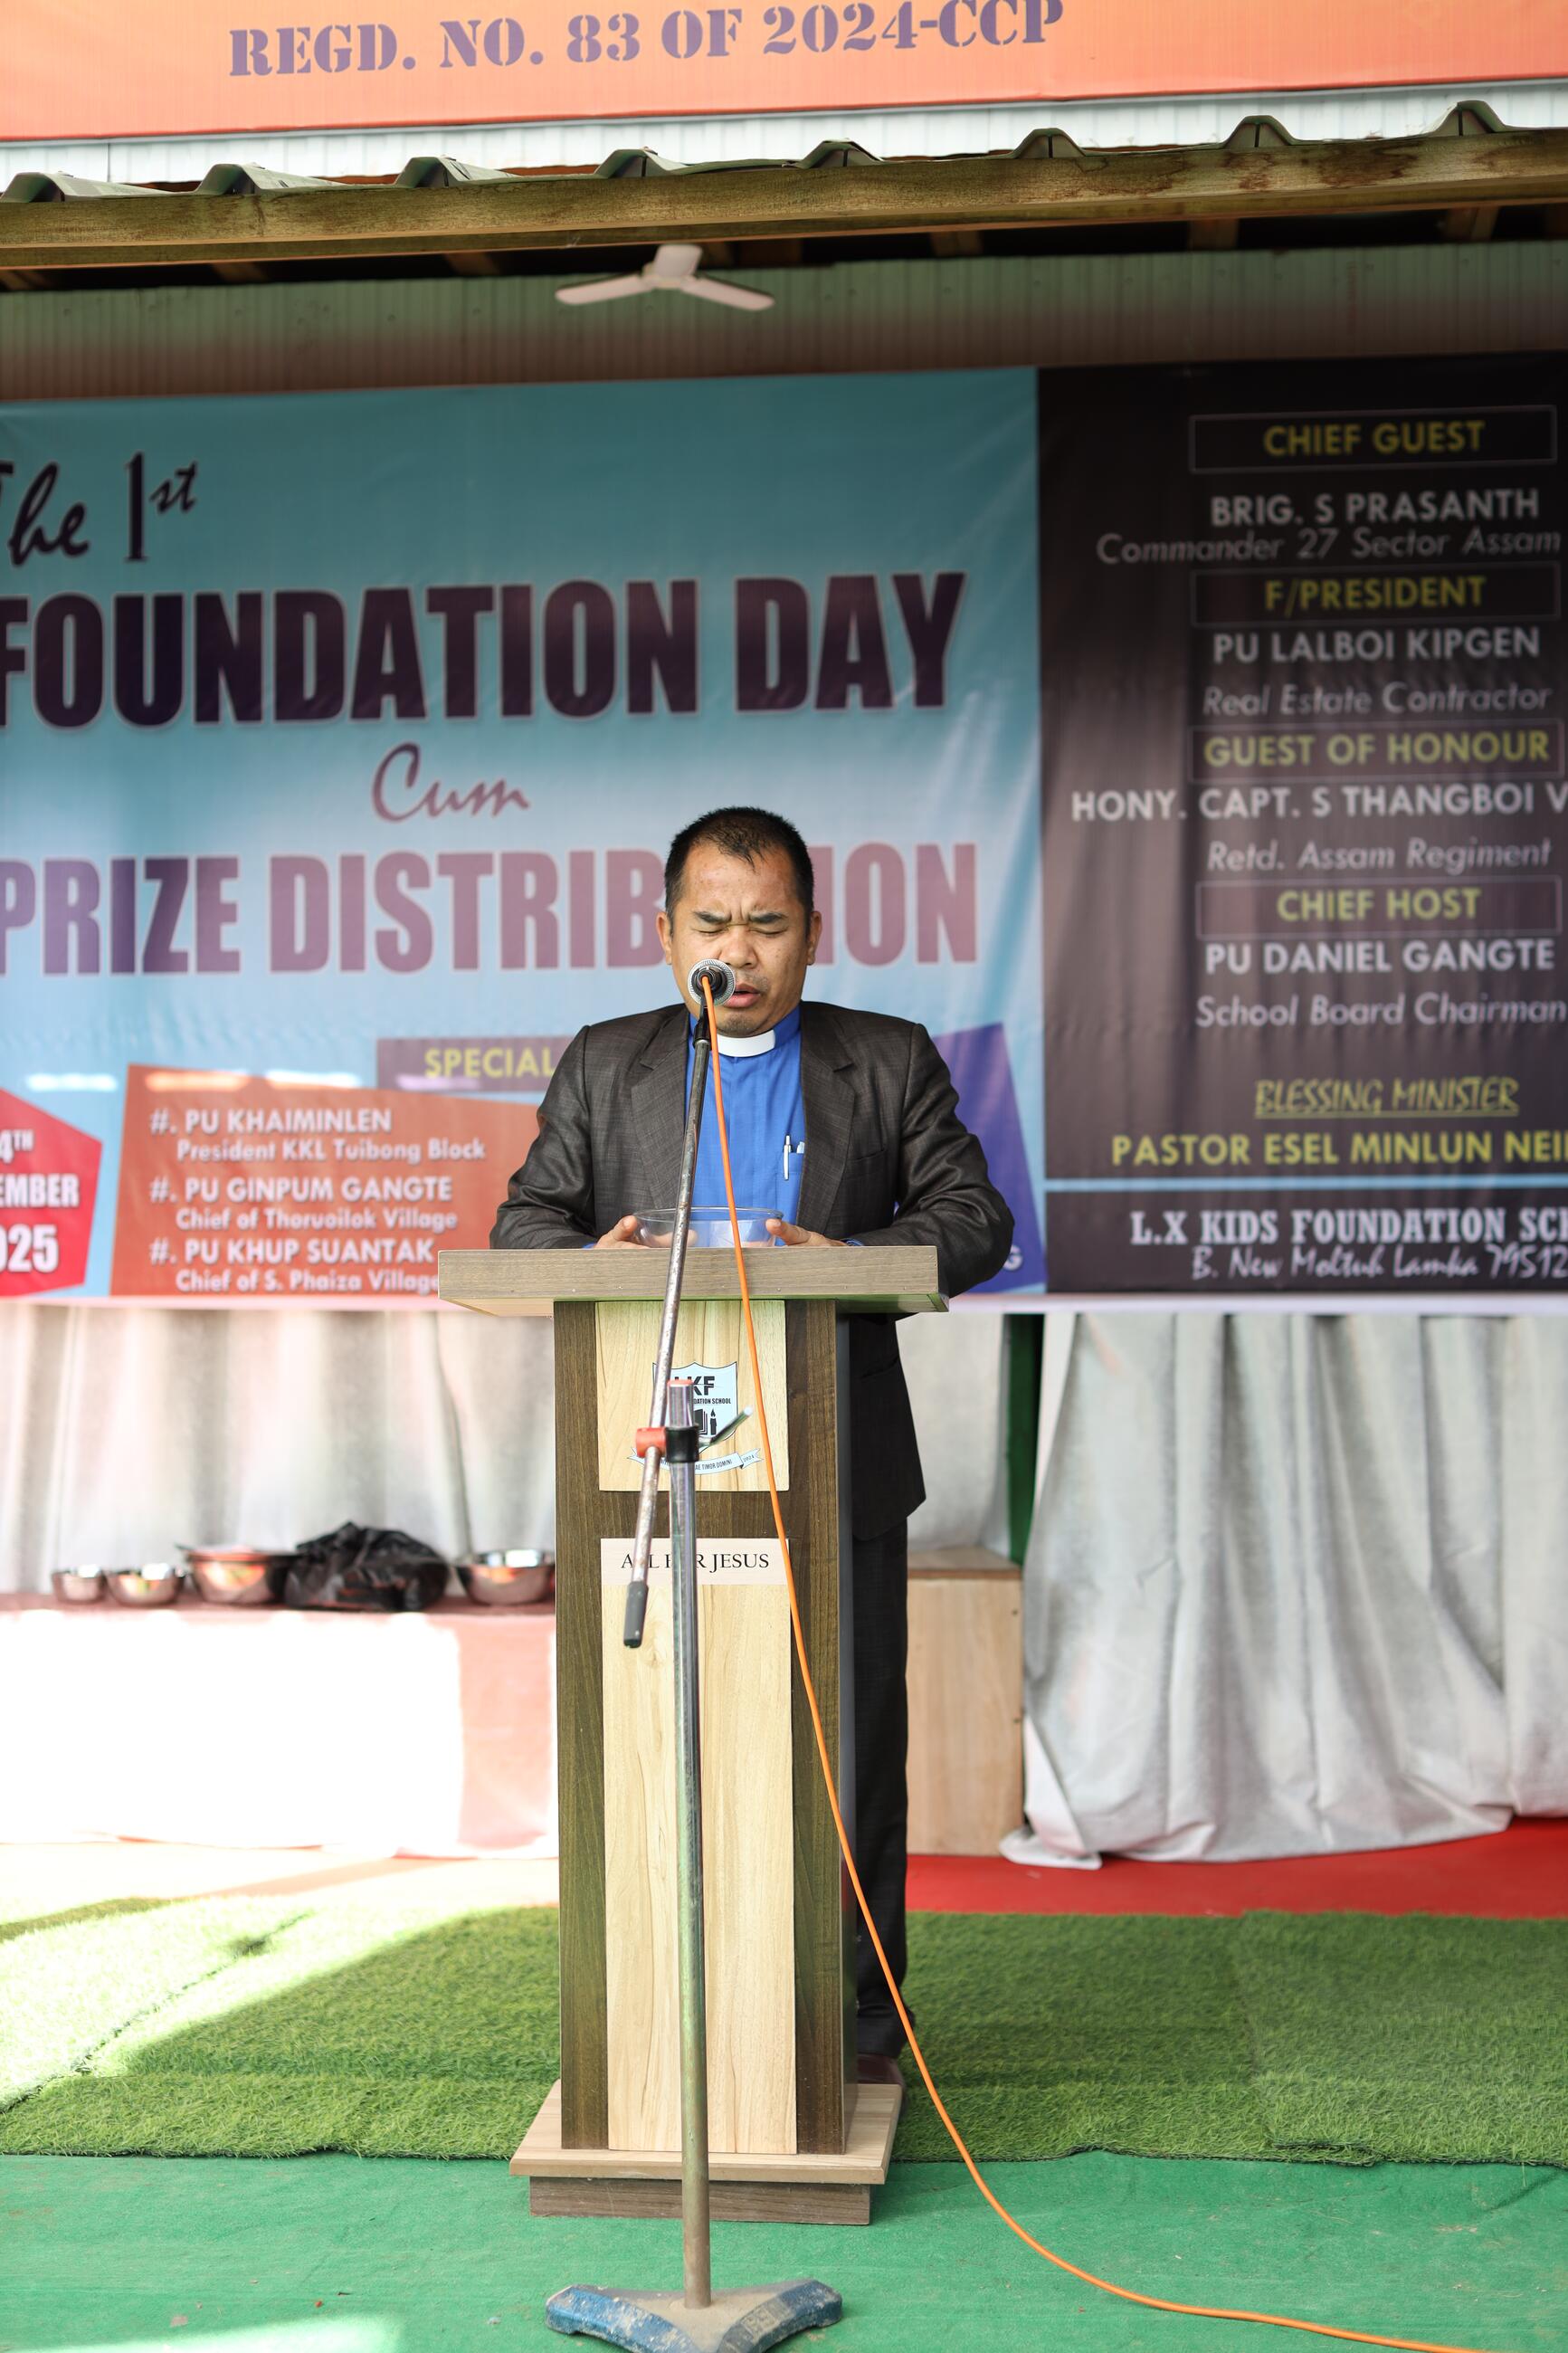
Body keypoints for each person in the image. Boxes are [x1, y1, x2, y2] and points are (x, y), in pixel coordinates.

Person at [491, 805, 1013, 2074]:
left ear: (812, 934)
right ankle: (656, 2021)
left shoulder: (885, 1059)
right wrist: (594, 1259)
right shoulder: (606, 1063)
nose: (738, 952)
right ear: (665, 932)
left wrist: (856, 1258)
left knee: (847, 1756)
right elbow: (522, 1227)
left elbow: (975, 1219)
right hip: (654, 1471)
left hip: (836, 1466)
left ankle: (858, 2030)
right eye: (712, 924)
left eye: (767, 925)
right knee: (661, 1746)